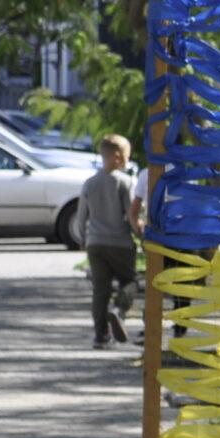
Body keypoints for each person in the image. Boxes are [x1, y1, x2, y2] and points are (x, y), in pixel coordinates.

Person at [79, 136, 143, 349]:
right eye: (127, 154)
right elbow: (131, 214)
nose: (128, 158)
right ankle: (119, 310)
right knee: (130, 281)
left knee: (100, 289)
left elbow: (81, 216)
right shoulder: (125, 182)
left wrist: (83, 239)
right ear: (117, 157)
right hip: (120, 243)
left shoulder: (89, 183)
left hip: (95, 243)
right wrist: (141, 235)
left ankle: (101, 336)